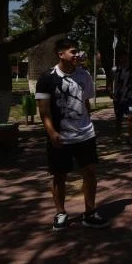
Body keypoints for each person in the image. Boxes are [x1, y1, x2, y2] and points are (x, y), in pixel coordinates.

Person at [35, 38, 110, 231]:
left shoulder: (84, 75)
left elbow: (85, 102)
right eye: (73, 52)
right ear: (61, 54)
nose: (77, 55)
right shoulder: (47, 78)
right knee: (60, 176)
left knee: (90, 172)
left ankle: (90, 212)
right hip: (60, 136)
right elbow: (44, 111)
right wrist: (51, 132)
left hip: (85, 134)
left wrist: (87, 122)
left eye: (77, 51)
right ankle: (60, 212)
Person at [112, 51, 132, 144]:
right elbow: (109, 81)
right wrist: (109, 92)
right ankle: (118, 136)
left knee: (130, 117)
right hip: (118, 98)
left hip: (129, 98)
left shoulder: (131, 70)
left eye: (126, 58)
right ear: (119, 59)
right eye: (122, 57)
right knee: (118, 118)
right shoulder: (115, 69)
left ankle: (129, 137)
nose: (124, 59)